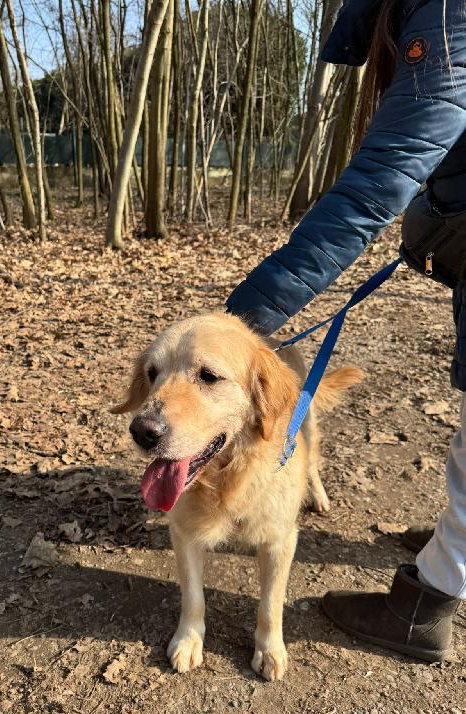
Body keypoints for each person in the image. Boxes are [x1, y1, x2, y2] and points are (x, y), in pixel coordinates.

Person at [227, 0, 465, 662]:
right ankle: (457, 546)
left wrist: (238, 323)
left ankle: (429, 603)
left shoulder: (448, 14)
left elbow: (372, 189)